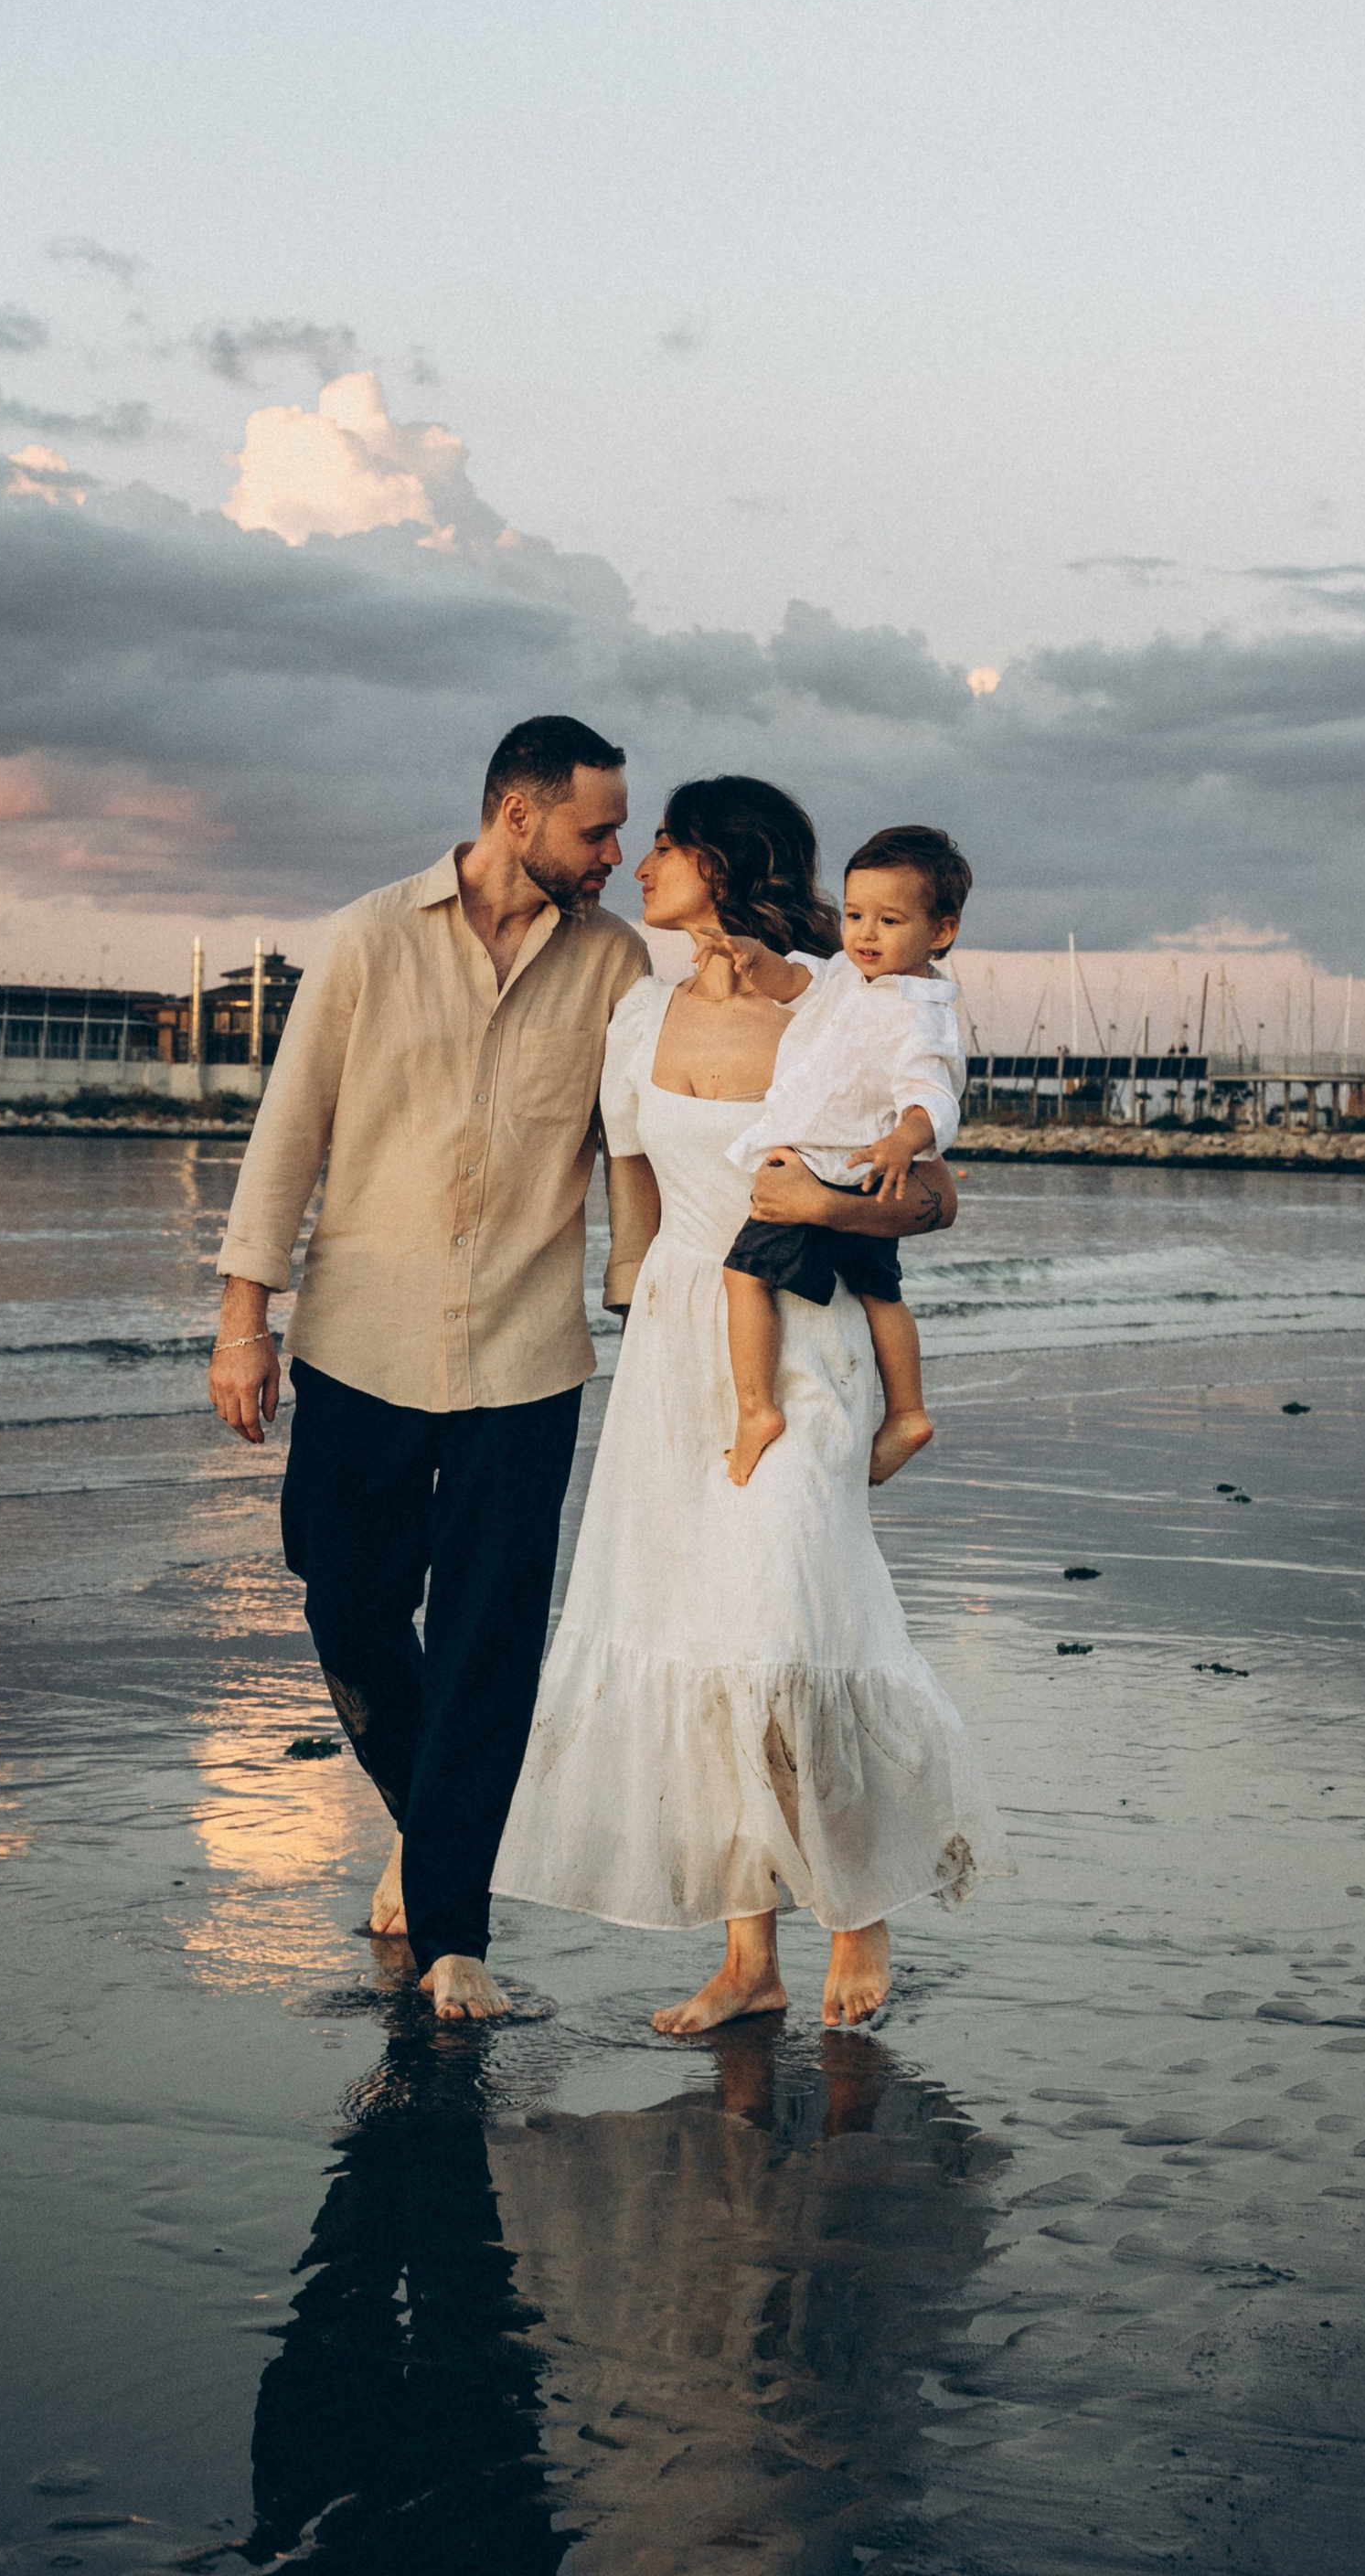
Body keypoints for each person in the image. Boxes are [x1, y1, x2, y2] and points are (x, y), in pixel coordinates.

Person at [495, 773, 1004, 2037]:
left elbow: (932, 1196)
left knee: (789, 1625)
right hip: (684, 1343)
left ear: (723, 865)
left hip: (811, 1337)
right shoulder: (640, 1015)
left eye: (661, 844)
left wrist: (829, 1210)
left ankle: (856, 1914)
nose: (641, 863)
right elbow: (633, 1203)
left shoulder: (842, 1001)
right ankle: (745, 1957)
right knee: (704, 1636)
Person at [208, 713, 649, 2024]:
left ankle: (457, 1928)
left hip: (525, 1352)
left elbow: (636, 1142)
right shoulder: (365, 940)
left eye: (622, 831)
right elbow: (290, 1132)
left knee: (488, 1643)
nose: (615, 853)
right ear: (518, 814)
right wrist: (245, 1318)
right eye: (597, 827)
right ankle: (436, 1817)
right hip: (359, 1340)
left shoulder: (617, 964)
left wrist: (654, 1296)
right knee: (344, 1603)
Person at [720, 824, 973, 1491]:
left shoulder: (921, 1015)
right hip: (860, 1175)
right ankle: (909, 1413)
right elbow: (791, 982)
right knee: (879, 1292)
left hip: (836, 1168)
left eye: (889, 920)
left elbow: (932, 1096)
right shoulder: (843, 975)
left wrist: (903, 1140)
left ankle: (755, 1410)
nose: (865, 933)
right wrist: (754, 956)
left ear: (940, 932)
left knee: (744, 1276)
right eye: (856, 914)